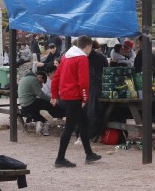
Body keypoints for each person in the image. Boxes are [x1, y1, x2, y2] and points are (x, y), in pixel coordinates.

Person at [51, 35, 101, 168]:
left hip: (65, 96)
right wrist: (85, 98)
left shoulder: (66, 56)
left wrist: (54, 94)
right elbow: (83, 81)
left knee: (84, 122)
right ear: (88, 46)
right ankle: (60, 158)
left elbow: (56, 76)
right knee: (69, 127)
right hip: (75, 97)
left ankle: (89, 154)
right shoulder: (82, 58)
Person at [18, 70, 65, 135]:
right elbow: (41, 94)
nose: (41, 83)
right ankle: (61, 115)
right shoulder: (33, 80)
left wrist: (40, 85)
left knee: (41, 108)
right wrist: (52, 99)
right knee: (51, 105)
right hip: (30, 103)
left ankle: (41, 123)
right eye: (41, 82)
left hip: (24, 104)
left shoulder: (25, 77)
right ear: (40, 76)